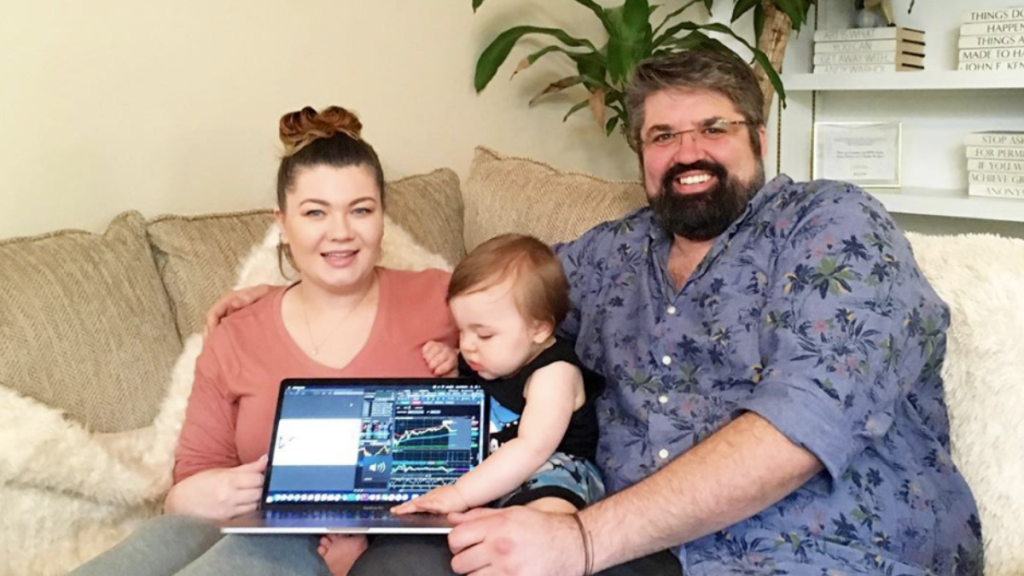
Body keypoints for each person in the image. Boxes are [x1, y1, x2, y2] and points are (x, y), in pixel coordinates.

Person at [207, 50, 984, 576]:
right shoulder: (609, 255)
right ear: (641, 154)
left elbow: (803, 426)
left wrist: (581, 540)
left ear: (757, 135)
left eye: (713, 127)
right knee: (400, 563)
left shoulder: (831, 224)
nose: (688, 150)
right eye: (662, 134)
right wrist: (298, 294)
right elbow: (497, 306)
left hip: (821, 548)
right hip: (631, 547)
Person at [69, 105, 459, 576]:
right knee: (170, 536)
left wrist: (468, 359)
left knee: (278, 550)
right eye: (315, 212)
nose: (340, 233)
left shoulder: (446, 299)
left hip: (388, 541)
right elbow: (191, 484)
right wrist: (203, 493)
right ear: (282, 223)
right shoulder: (238, 331)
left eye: (361, 210)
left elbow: (528, 349)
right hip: (257, 529)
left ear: (382, 216)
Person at [391, 233, 606, 518]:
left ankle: (533, 529)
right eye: (461, 330)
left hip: (551, 467)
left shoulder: (554, 374)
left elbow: (532, 447)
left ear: (539, 329)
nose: (467, 345)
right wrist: (451, 366)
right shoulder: (486, 358)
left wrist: (460, 493)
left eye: (484, 334)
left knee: (551, 504)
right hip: (490, 471)